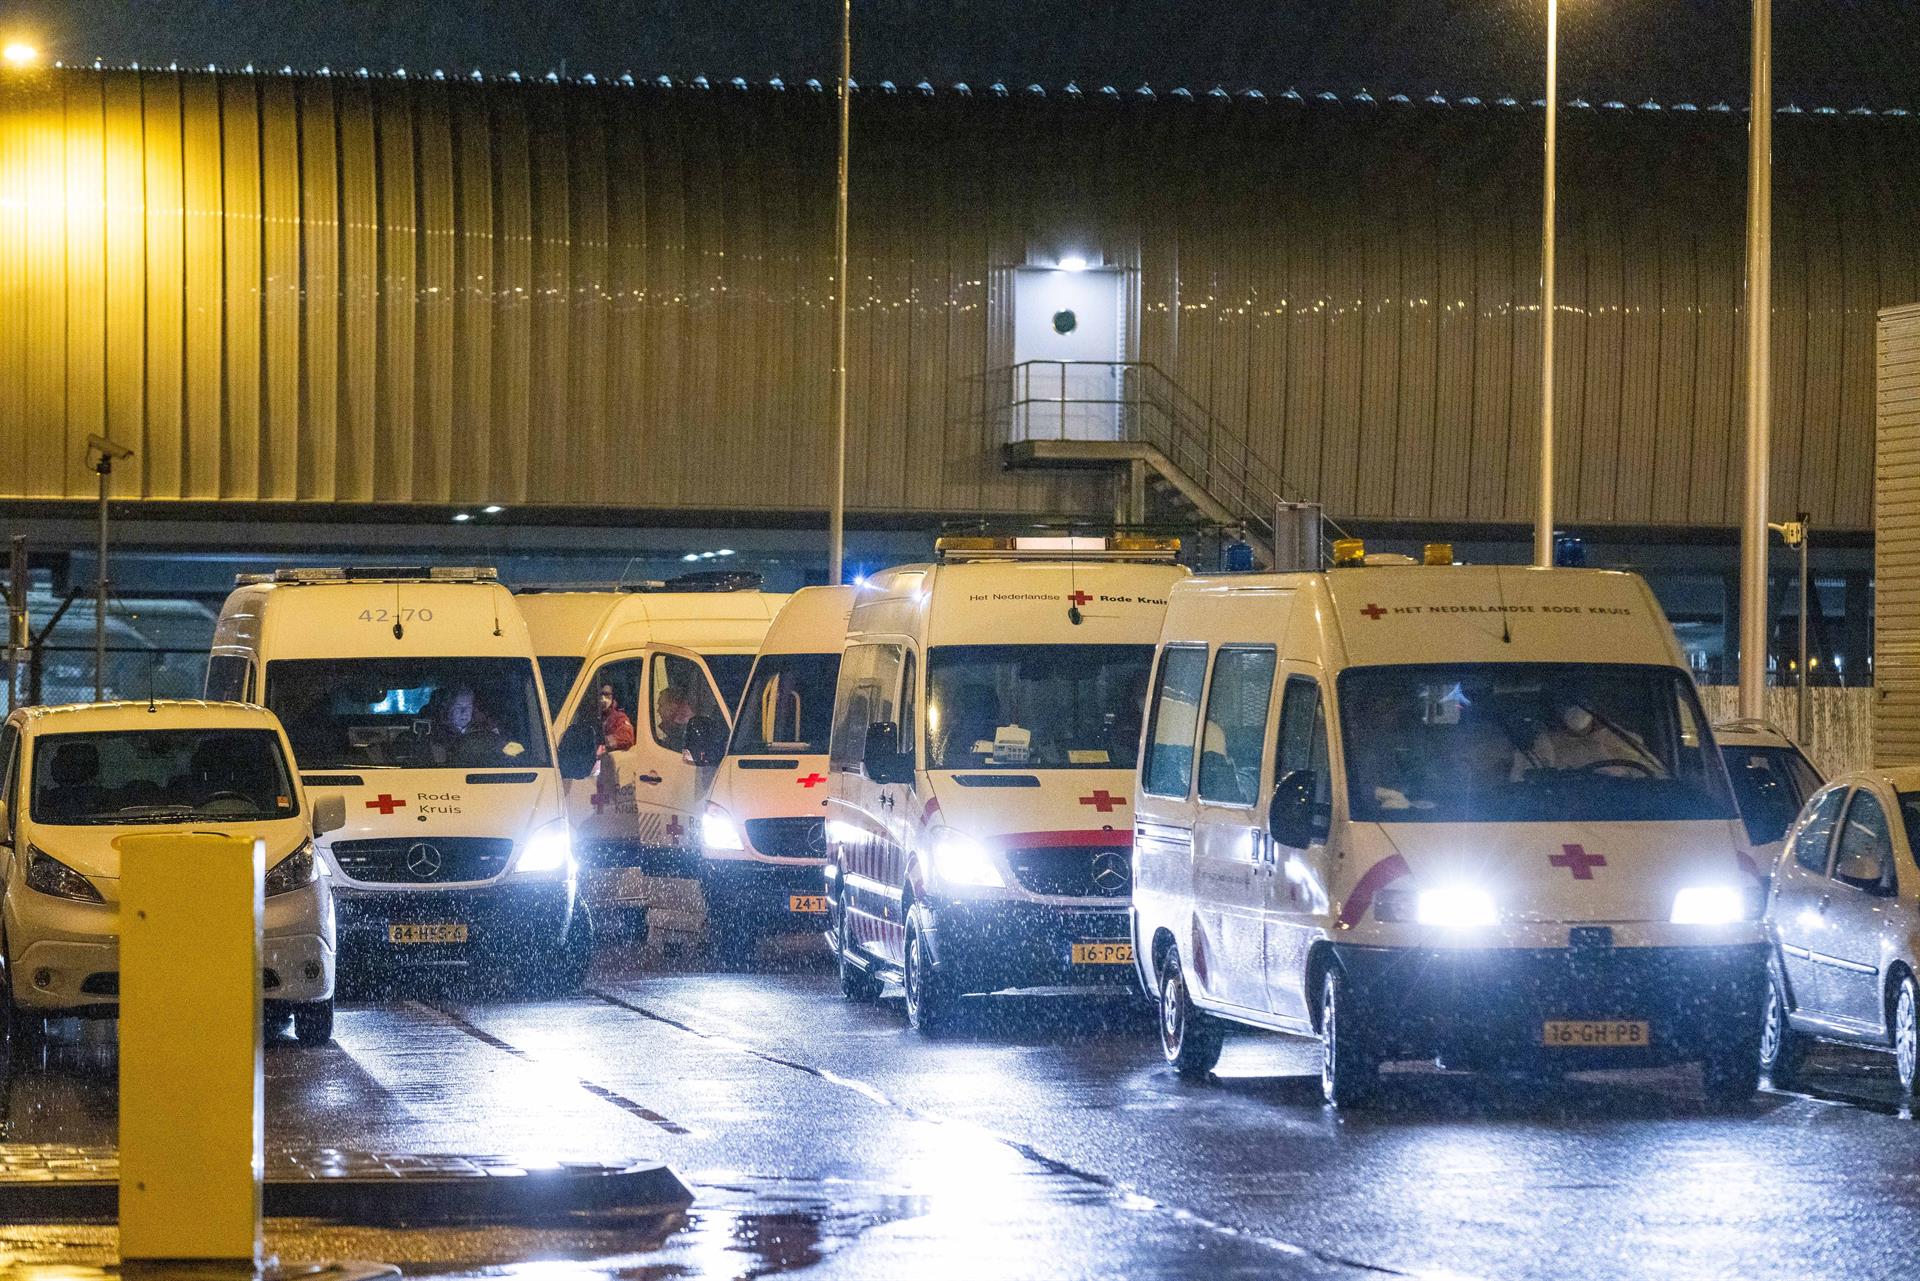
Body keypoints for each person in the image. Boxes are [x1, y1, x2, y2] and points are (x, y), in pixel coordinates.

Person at [1518, 698, 1664, 778]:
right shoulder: (1546, 743)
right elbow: (1524, 779)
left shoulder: (1624, 740)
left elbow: (1656, 776)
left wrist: (1625, 775)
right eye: (1568, 705)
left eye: (1583, 704)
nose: (1575, 711)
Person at [597, 683, 636, 757]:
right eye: (600, 695)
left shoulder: (619, 717)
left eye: (607, 695)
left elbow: (628, 738)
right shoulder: (598, 716)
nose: (603, 699)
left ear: (613, 698)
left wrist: (604, 742)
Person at [655, 685, 696, 752]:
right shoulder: (676, 730)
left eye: (661, 705)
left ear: (673, 706)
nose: (658, 710)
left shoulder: (685, 733)